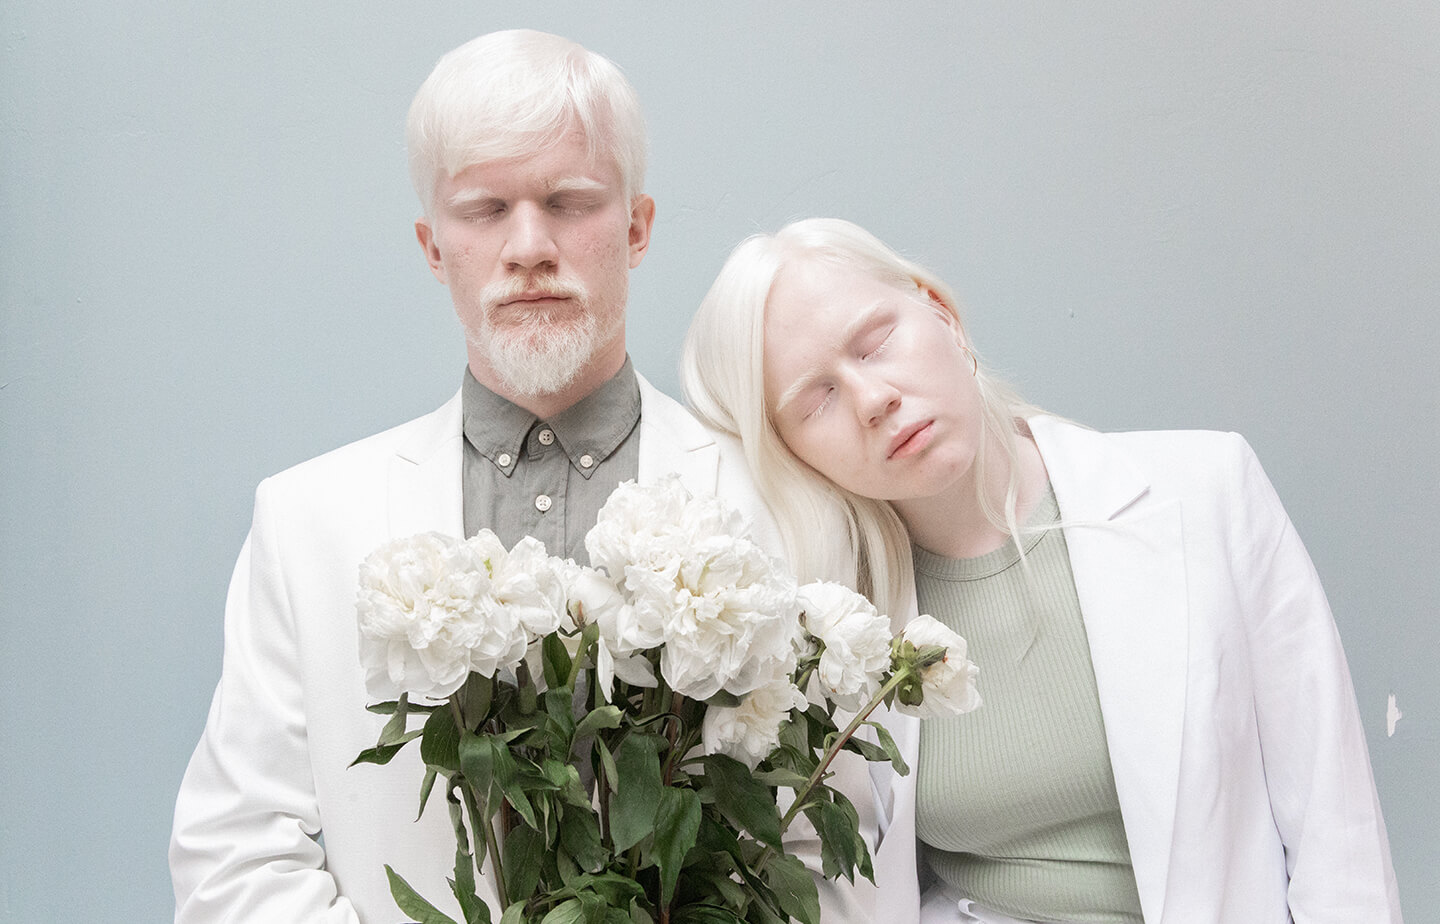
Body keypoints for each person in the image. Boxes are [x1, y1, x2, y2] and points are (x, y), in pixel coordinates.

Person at [169, 33, 873, 923]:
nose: (529, 246)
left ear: (637, 227)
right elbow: (235, 854)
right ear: (433, 247)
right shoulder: (304, 519)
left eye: (569, 201)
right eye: (486, 208)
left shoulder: (787, 498)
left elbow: (842, 848)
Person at [680, 217, 1403, 923]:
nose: (874, 401)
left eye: (875, 344)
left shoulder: (1209, 489)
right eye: (818, 400)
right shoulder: (830, 634)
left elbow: (1339, 844)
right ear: (793, 453)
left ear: (942, 314)